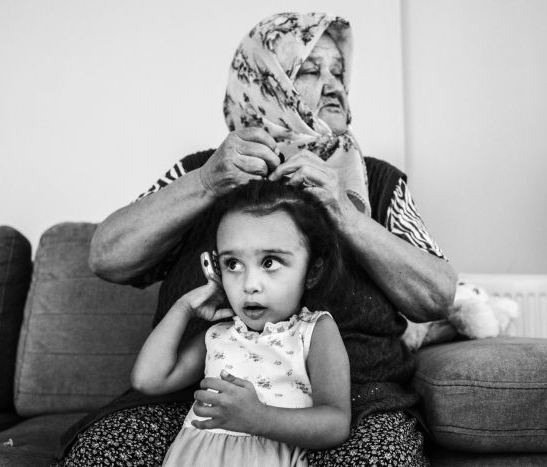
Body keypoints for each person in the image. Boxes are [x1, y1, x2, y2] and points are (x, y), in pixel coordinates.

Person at [54, 12, 457, 467]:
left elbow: (438, 295)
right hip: (197, 396)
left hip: (354, 399)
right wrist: (206, 184)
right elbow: (107, 256)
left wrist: (344, 213)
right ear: (265, 79)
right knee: (103, 455)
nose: (334, 87)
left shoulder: (378, 181)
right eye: (309, 70)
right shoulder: (202, 170)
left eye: (339, 73)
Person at [132, 180, 351, 467]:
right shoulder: (220, 335)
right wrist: (183, 308)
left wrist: (260, 418)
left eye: (270, 262)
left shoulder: (314, 331)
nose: (249, 285)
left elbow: (336, 422)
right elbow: (148, 380)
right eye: (232, 264)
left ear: (312, 271)